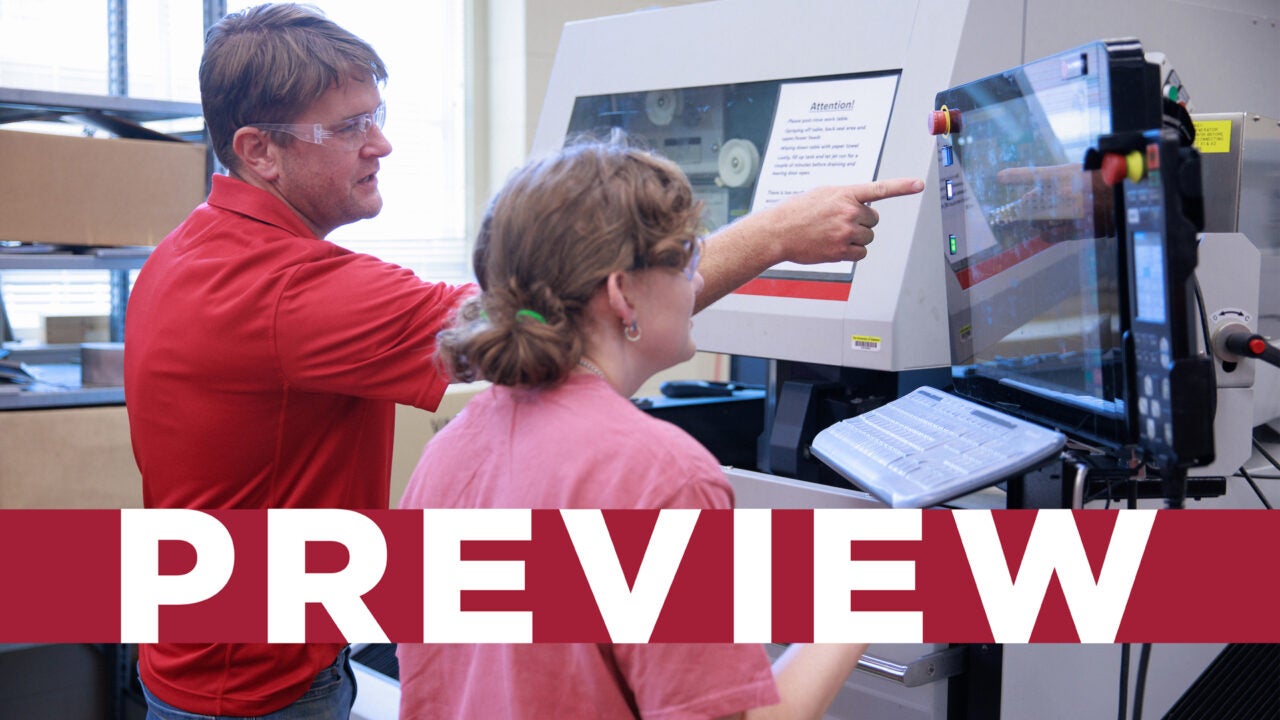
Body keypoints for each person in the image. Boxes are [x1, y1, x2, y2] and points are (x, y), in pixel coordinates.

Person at [123, 4, 921, 718]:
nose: (383, 142)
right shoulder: (282, 289)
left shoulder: (196, 253)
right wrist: (777, 236)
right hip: (257, 692)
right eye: (347, 128)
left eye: (379, 114)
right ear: (258, 151)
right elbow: (534, 311)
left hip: (203, 661)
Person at [395, 138, 918, 719]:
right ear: (622, 295)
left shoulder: (453, 446)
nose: (697, 285)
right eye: (687, 262)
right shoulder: (662, 476)